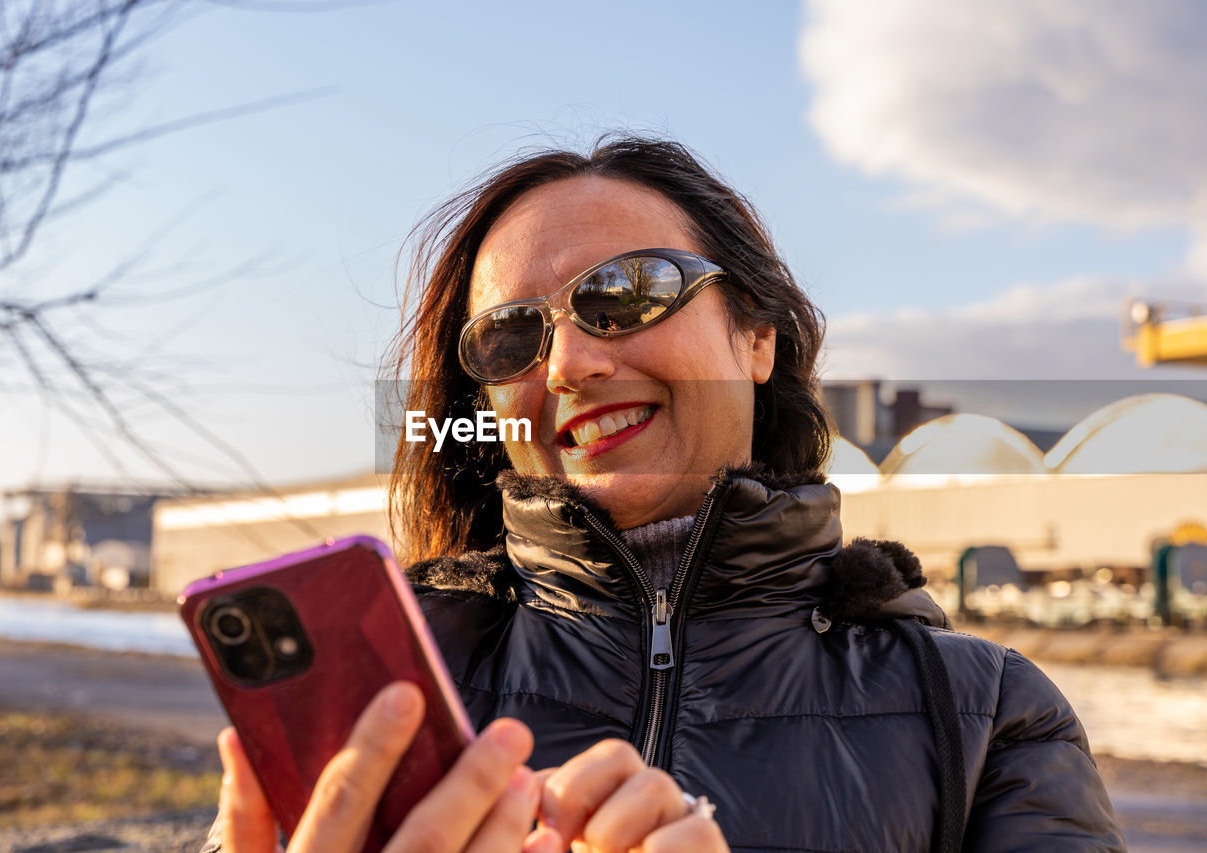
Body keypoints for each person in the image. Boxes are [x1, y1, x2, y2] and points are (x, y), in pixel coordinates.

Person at [206, 137, 1125, 852]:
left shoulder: (986, 715)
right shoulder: (386, 679)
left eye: (627, 291)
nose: (568, 363)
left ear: (756, 338)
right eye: (509, 337)